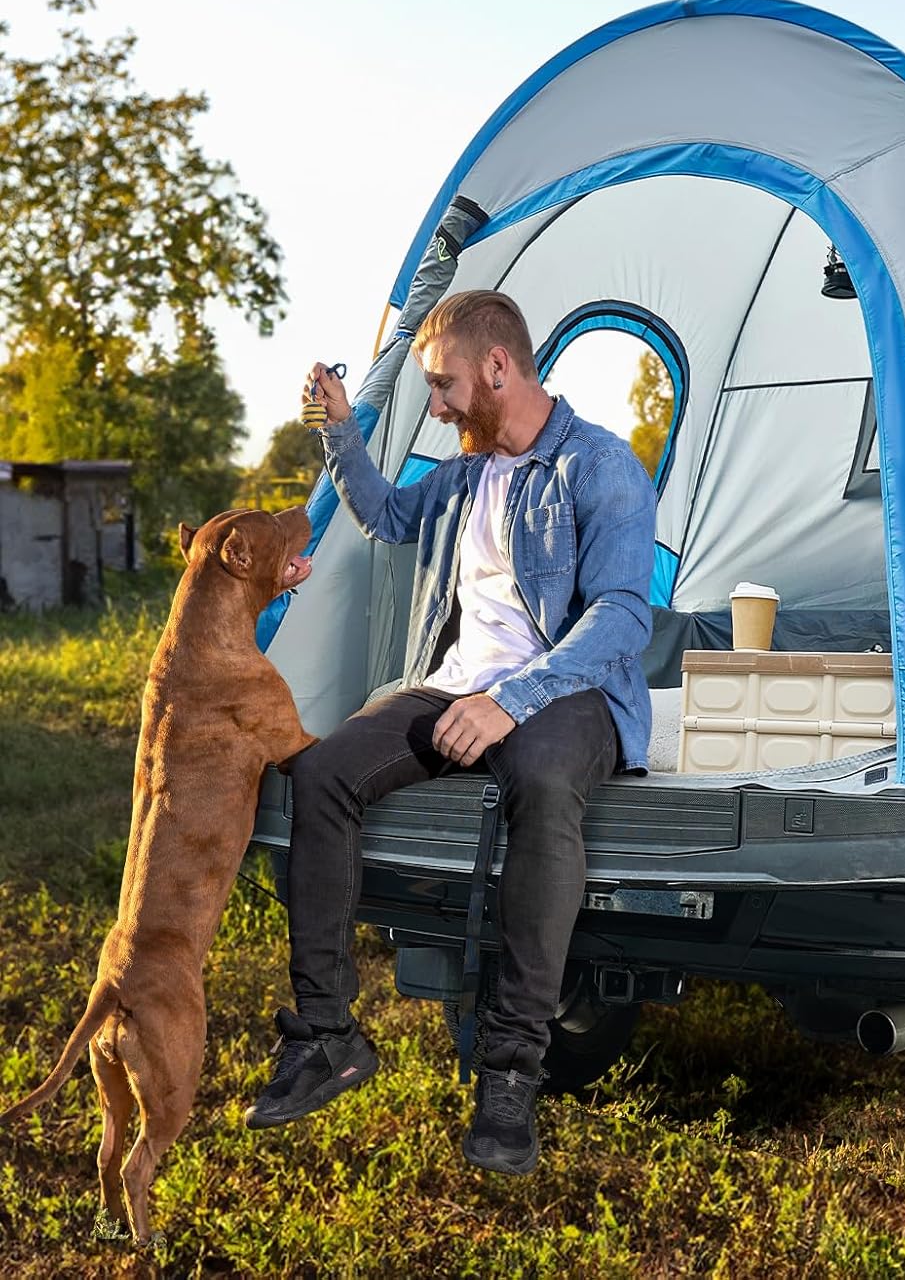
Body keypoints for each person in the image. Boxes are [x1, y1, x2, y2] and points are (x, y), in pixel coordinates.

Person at [245, 288, 657, 1175]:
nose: (436, 405)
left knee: (543, 788)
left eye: (444, 384)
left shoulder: (600, 466)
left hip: (567, 690)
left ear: (498, 369)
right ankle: (326, 1035)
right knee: (321, 776)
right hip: (454, 686)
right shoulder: (470, 472)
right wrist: (339, 430)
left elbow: (623, 618)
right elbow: (389, 516)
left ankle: (509, 1074)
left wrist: (514, 700)